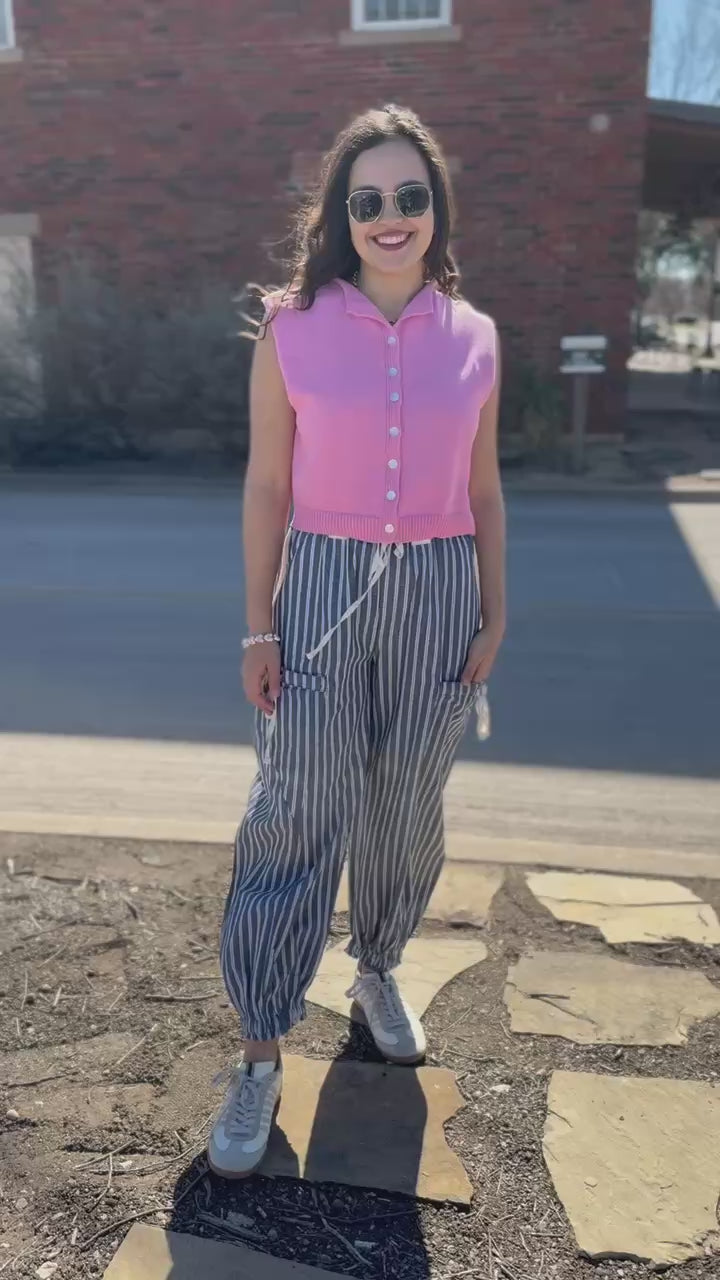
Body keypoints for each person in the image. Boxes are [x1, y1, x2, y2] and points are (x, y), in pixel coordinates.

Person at [209, 103, 506, 1179]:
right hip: (323, 585)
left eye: (410, 196)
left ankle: (377, 966)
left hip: (440, 582)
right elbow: (267, 485)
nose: (391, 215)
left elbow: (484, 487)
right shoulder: (292, 329)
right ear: (342, 212)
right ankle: (259, 1048)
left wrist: (495, 610)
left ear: (436, 211)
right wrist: (258, 622)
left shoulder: (475, 337)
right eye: (368, 198)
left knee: (406, 800)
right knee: (296, 807)